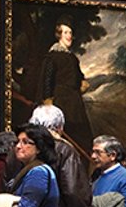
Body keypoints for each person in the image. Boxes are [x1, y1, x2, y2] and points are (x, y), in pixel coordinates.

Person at [40, 20, 93, 149]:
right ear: (59, 35)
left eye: (70, 32)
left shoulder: (72, 58)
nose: (69, 36)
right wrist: (49, 105)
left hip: (75, 103)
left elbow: (79, 77)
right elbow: (47, 81)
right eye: (65, 32)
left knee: (84, 137)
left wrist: (82, 84)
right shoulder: (52, 57)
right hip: (61, 103)